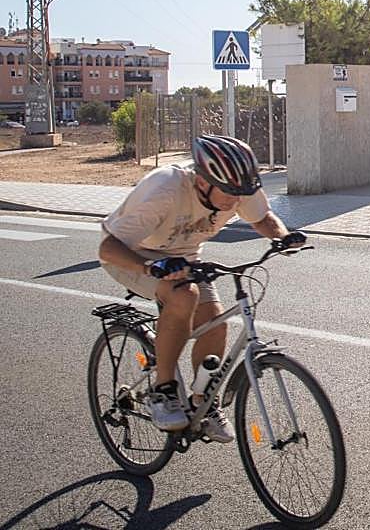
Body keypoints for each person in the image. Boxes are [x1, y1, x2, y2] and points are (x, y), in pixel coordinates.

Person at [98, 135, 306, 441]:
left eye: (240, 194)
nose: (235, 202)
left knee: (216, 325)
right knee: (184, 295)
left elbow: (262, 218)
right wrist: (150, 267)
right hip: (133, 256)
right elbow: (108, 249)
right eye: (228, 193)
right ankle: (164, 390)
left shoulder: (237, 186)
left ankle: (202, 402)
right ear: (202, 180)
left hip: (184, 258)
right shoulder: (164, 189)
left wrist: (282, 237)